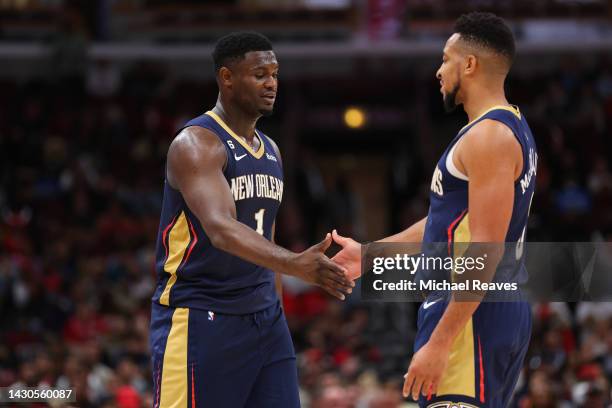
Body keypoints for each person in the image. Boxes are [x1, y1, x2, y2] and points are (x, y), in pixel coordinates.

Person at [332, 12, 537, 407]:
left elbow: (484, 250)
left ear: (470, 64)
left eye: (446, 59)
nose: (438, 70)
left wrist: (440, 343)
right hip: (481, 310)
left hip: (471, 316)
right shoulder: (501, 128)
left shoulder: (489, 136)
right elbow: (445, 221)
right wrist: (372, 255)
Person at [149, 32, 353, 408]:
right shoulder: (197, 144)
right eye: (260, 74)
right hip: (201, 317)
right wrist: (295, 264)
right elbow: (222, 230)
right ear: (227, 78)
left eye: (275, 73)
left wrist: (276, 311)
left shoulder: (271, 149)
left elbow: (266, 238)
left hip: (266, 321)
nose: (272, 82)